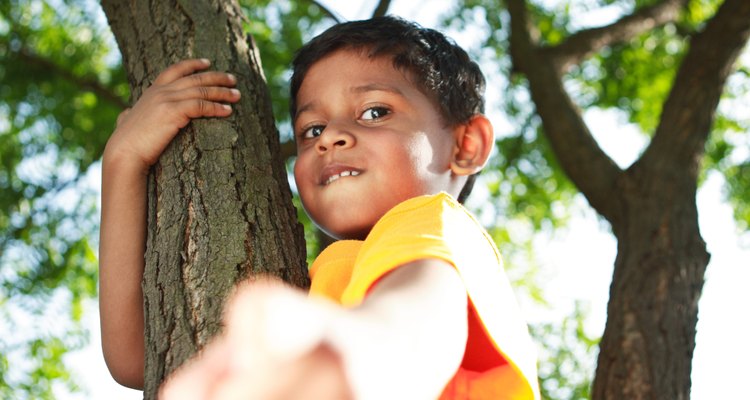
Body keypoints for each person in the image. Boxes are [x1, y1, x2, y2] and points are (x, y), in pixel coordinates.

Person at [99, 16, 539, 400]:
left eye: (374, 112)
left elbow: (422, 311)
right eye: (312, 129)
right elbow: (136, 356)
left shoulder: (434, 223)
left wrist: (351, 352)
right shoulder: (325, 281)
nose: (330, 137)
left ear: (465, 145)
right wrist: (123, 162)